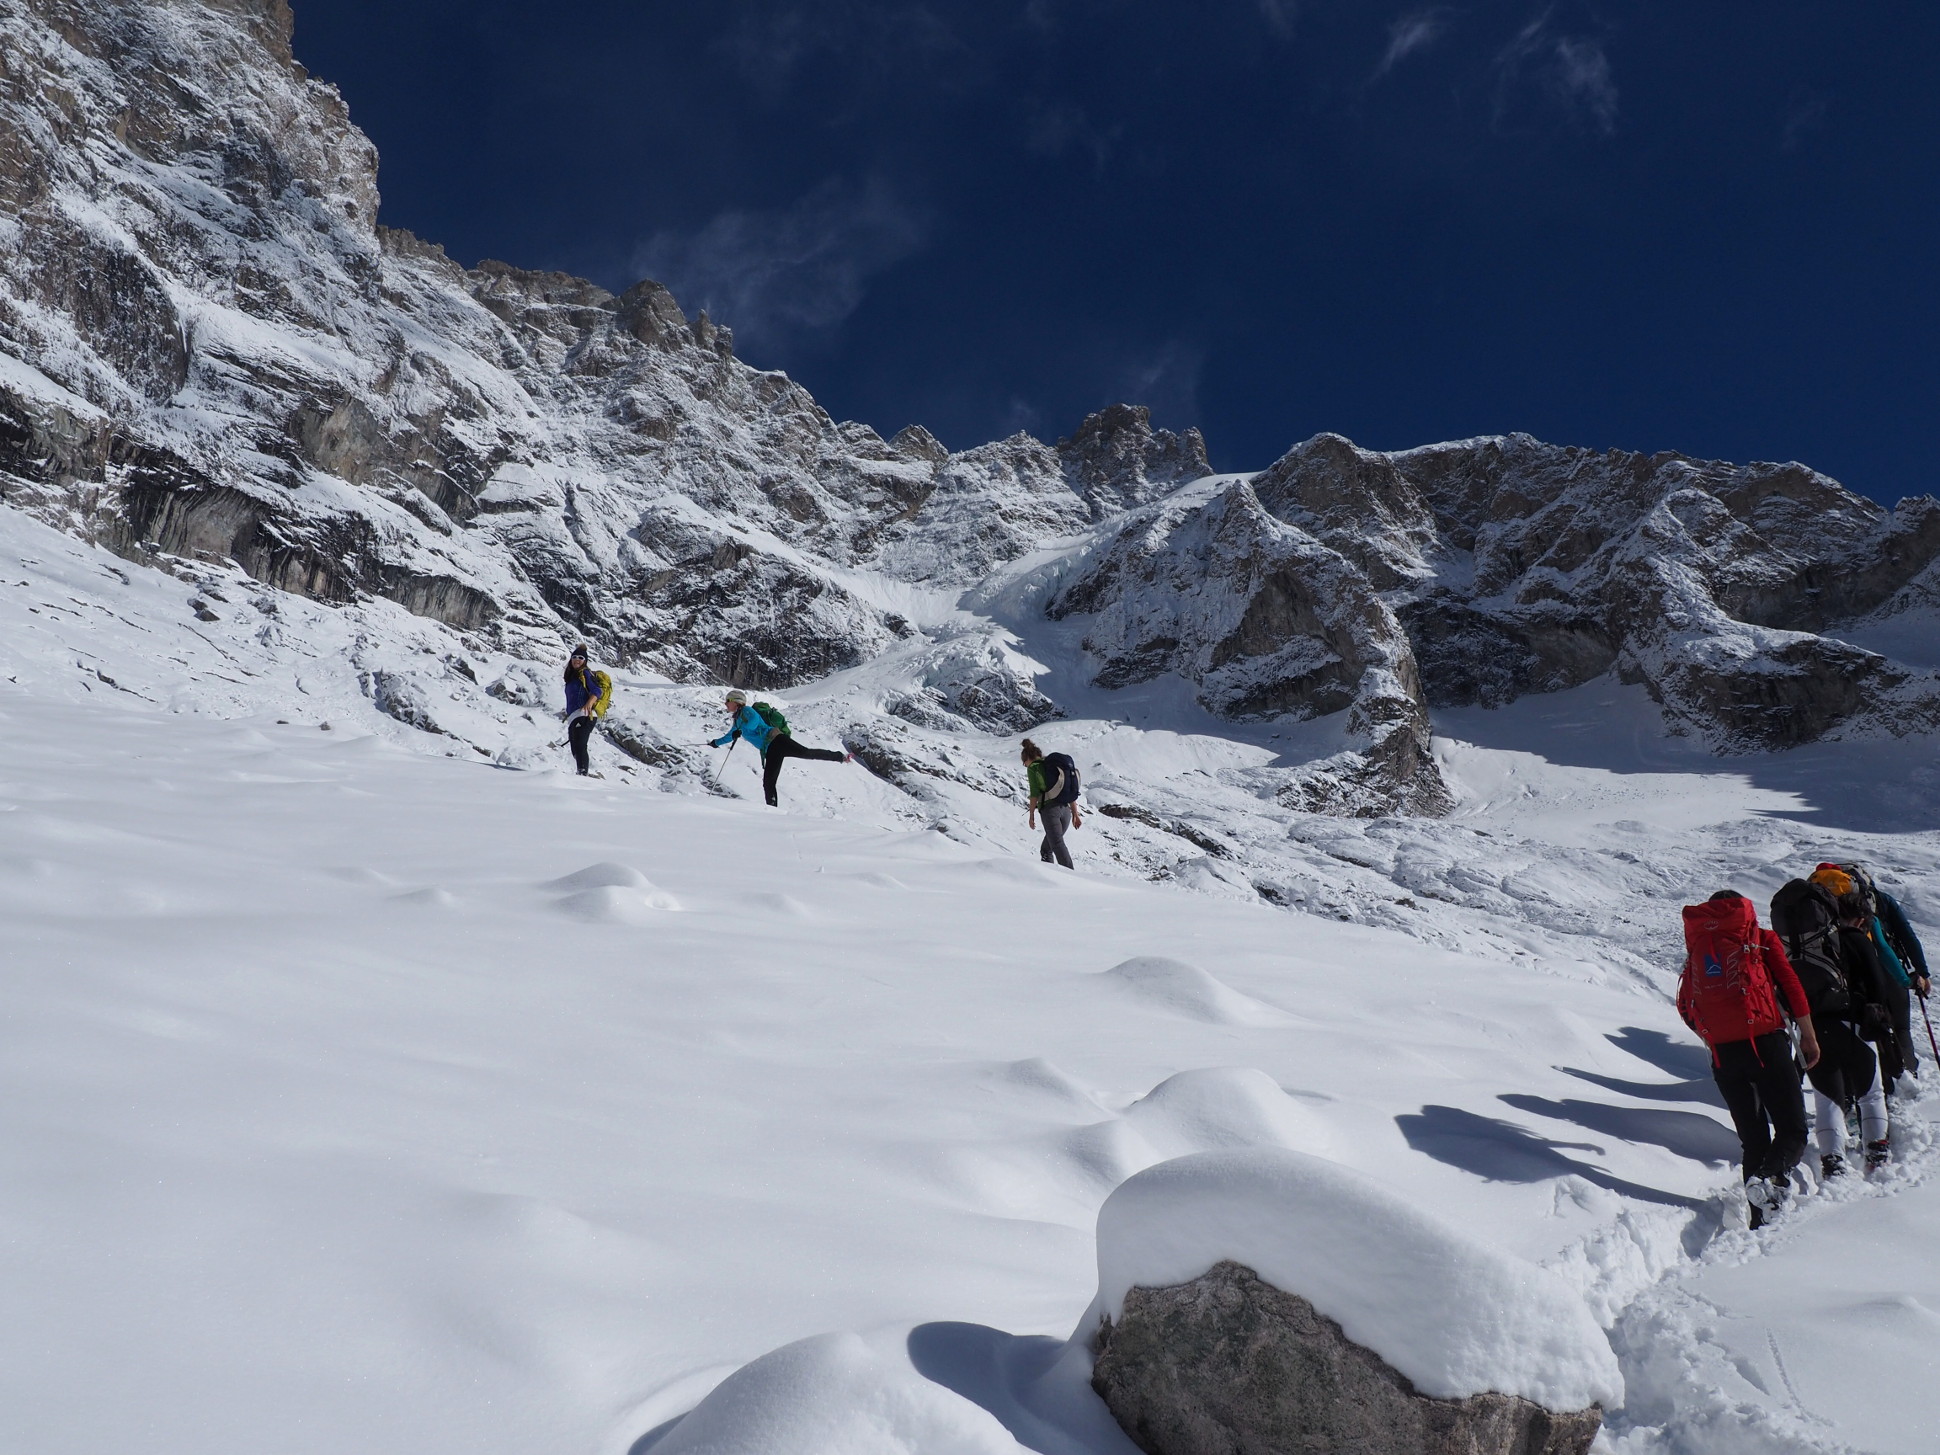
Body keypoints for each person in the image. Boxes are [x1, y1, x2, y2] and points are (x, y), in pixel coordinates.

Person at [1677, 890, 1820, 1228]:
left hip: (1724, 1055)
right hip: (1766, 1043)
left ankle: (1760, 1218)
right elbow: (1791, 986)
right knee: (1793, 1130)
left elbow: (1685, 1005)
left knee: (1753, 1140)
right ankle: (1767, 1180)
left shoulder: (1699, 946)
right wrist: (1809, 1036)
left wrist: (1713, 1039)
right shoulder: (1759, 937)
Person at [1815, 863, 1928, 1093]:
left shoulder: (1818, 913)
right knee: (1899, 1026)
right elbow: (1901, 940)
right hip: (1880, 972)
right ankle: (1906, 1079)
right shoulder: (1875, 903)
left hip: (1835, 981)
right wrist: (1917, 975)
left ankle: (1852, 1090)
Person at [1827, 892, 1898, 1173]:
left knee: (1828, 1097)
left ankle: (1832, 1162)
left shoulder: (1819, 940)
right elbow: (1877, 986)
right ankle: (1877, 1154)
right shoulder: (1858, 940)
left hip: (1821, 1023)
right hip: (1856, 1021)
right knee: (1870, 1092)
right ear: (1861, 918)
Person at [709, 688, 849, 808]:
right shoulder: (737, 720)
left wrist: (740, 730)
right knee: (768, 782)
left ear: (736, 701)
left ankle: (839, 756)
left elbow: (753, 722)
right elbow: (730, 736)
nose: (726, 703)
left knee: (806, 752)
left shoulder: (747, 710)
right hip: (769, 750)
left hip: (777, 740)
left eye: (728, 700)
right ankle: (772, 812)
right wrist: (716, 743)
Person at [1021, 738, 1081, 870]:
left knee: (1057, 845)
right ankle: (1050, 877)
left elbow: (1034, 793)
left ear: (1028, 759)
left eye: (1024, 762)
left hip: (1050, 811)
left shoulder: (1034, 768)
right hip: (1066, 811)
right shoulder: (1052, 765)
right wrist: (1075, 813)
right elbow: (1068, 788)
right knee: (1047, 848)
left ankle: (1073, 879)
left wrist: (1031, 815)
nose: (1024, 765)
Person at [561, 645, 610, 776]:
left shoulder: (585, 673)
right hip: (574, 716)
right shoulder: (572, 677)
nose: (577, 659)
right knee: (575, 749)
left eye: (581, 658)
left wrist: (589, 702)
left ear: (585, 661)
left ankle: (582, 774)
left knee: (580, 745)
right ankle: (581, 772)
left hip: (585, 714)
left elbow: (597, 690)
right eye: (574, 657)